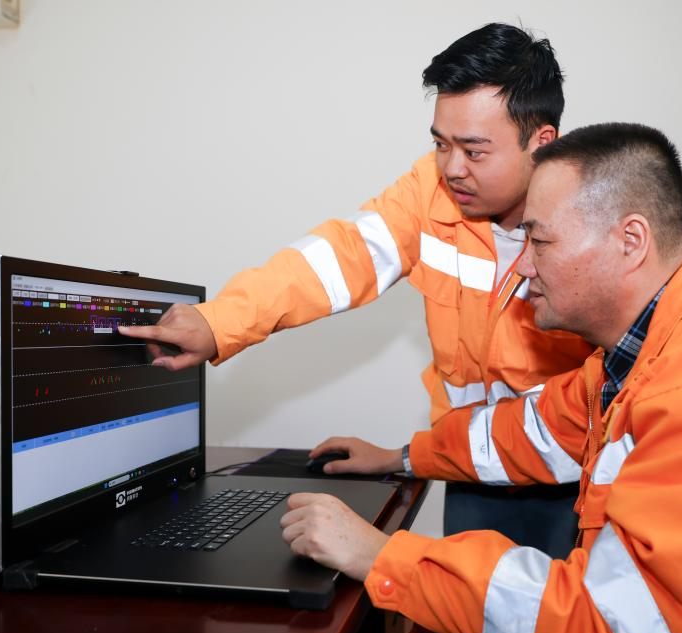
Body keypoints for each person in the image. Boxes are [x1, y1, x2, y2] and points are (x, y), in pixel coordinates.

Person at [279, 122, 682, 633]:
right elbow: (534, 431)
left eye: (539, 240)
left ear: (630, 241)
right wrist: (402, 457)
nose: (521, 267)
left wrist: (382, 557)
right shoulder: (651, 349)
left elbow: (604, 627)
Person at [121, 26, 591, 561]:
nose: (452, 168)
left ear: (541, 143)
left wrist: (410, 457)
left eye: (474, 151)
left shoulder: (592, 221)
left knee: (549, 614)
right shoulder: (431, 190)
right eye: (441, 144)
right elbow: (340, 257)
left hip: (569, 483)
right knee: (453, 608)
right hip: (469, 472)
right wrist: (218, 322)